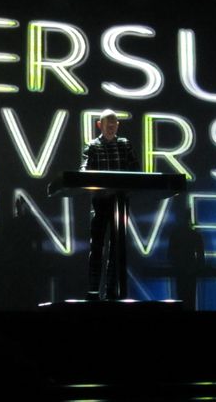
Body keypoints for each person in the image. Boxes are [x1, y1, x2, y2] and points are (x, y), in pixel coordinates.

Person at [81, 109, 139, 300]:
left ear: (118, 125)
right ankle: (93, 291)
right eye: (108, 123)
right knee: (97, 247)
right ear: (100, 125)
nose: (111, 127)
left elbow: (136, 170)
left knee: (117, 249)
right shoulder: (92, 146)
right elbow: (84, 170)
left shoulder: (124, 144)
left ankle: (111, 291)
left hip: (120, 204)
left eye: (114, 124)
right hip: (100, 203)